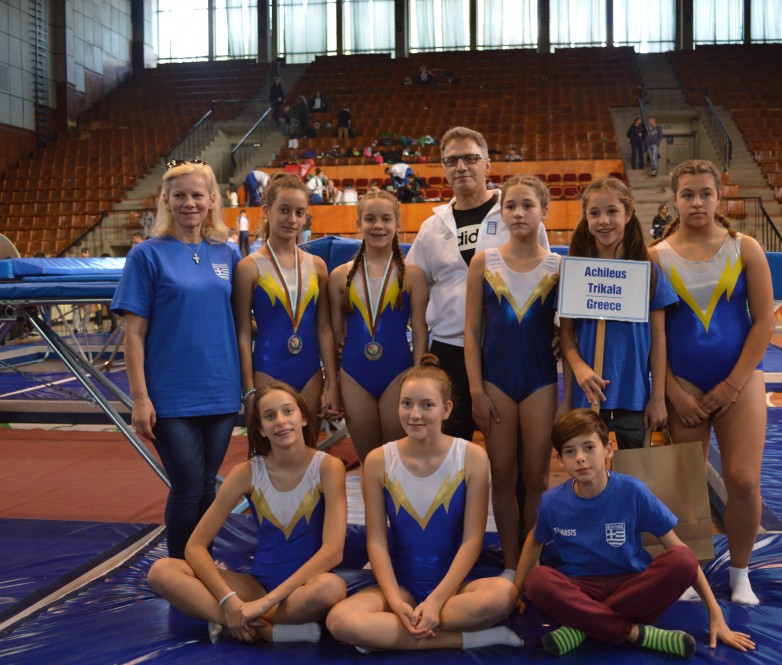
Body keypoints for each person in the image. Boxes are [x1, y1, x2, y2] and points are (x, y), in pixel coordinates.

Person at [515, 409, 755, 657]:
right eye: (569, 451)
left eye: (589, 447)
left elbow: (680, 551)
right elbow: (534, 540)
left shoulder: (633, 491)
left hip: (633, 587)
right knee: (537, 580)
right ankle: (636, 633)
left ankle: (581, 628)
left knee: (682, 560)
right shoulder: (553, 502)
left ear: (608, 450)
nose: (580, 458)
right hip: (582, 589)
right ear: (559, 459)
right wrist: (517, 590)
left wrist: (715, 612)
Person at [325, 355, 522, 651]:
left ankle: (389, 635)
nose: (415, 414)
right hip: (400, 585)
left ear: (446, 409)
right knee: (340, 621)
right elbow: (376, 540)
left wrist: (437, 600)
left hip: (453, 588)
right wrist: (394, 601)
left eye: (427, 405)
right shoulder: (379, 460)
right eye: (406, 404)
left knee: (503, 594)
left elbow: (472, 539)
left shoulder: (471, 457)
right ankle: (464, 639)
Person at [651, 159, 773, 606]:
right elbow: (653, 335)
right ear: (674, 200)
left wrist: (733, 385)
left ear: (719, 197)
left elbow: (764, 323)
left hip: (738, 380)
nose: (697, 202)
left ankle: (741, 572)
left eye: (705, 193)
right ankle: (691, 574)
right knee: (687, 486)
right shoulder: (656, 256)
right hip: (683, 383)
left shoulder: (745, 248)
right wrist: (670, 390)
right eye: (687, 194)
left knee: (742, 481)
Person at [146, 382, 348, 644]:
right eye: (270, 416)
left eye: (288, 411)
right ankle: (265, 630)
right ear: (261, 429)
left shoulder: (328, 467)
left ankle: (243, 623)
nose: (281, 421)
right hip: (257, 585)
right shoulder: (247, 472)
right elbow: (194, 547)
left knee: (331, 587)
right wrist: (229, 602)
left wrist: (265, 603)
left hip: (304, 588)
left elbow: (333, 552)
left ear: (304, 418)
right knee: (162, 571)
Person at [111, 159, 242, 559]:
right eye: (180, 195)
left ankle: (203, 563)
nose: (189, 203)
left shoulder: (227, 253)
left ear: (212, 200)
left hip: (220, 389)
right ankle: (180, 570)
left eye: (197, 195)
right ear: (166, 200)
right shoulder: (146, 255)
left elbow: (241, 322)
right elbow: (134, 333)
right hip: (171, 394)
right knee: (187, 486)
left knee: (206, 485)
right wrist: (139, 398)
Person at [406, 126, 548, 440]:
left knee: (511, 450)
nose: (461, 166)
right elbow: (412, 289)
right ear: (443, 168)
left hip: (509, 347)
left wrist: (555, 328)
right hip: (450, 350)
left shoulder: (516, 212)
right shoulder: (431, 228)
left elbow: (545, 278)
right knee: (449, 446)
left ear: (487, 165)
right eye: (451, 160)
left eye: (470, 158)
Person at [464, 175, 561, 574]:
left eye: (527, 205)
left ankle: (530, 564)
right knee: (503, 474)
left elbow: (568, 332)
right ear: (501, 214)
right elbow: (471, 331)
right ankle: (509, 563)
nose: (518, 213)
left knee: (537, 477)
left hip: (541, 381)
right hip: (496, 382)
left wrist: (563, 338)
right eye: (510, 206)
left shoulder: (559, 266)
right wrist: (476, 389)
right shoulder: (483, 262)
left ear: (544, 212)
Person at [560, 178, 673, 449]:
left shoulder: (649, 271)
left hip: (633, 395)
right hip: (586, 394)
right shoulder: (574, 271)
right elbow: (566, 335)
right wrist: (579, 368)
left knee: (635, 470)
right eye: (594, 213)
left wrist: (658, 396)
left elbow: (659, 338)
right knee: (588, 468)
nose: (604, 221)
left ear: (628, 214)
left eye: (612, 211)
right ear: (586, 217)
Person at [233, 172, 339, 434]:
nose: (292, 219)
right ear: (266, 211)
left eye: (299, 213)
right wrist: (248, 389)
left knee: (308, 449)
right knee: (270, 451)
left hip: (310, 374)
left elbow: (324, 328)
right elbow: (243, 334)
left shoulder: (318, 266)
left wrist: (332, 383)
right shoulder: (248, 268)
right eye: (284, 210)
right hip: (267, 371)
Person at [329, 190, 429, 462]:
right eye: (370, 219)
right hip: (354, 376)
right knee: (370, 461)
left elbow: (420, 333)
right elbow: (334, 335)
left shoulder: (413, 276)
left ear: (397, 224)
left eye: (386, 219)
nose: (378, 226)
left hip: (399, 373)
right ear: (358, 223)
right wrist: (331, 384)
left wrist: (419, 378)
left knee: (399, 460)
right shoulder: (339, 276)